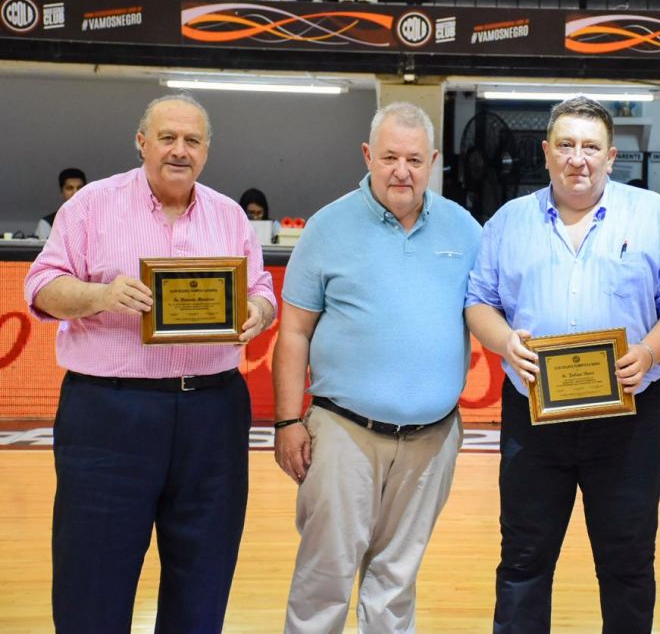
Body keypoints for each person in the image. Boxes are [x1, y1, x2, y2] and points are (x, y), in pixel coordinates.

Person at [24, 94, 277, 633]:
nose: (179, 150)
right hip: (110, 413)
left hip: (212, 411)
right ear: (142, 143)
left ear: (206, 151)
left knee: (203, 578)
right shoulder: (91, 205)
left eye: (192, 141)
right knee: (92, 580)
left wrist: (258, 309)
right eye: (168, 138)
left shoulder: (230, 215)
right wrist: (99, 296)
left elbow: (260, 289)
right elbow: (42, 287)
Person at [464, 96, 660, 633]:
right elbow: (478, 302)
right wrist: (505, 341)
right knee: (524, 559)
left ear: (611, 155)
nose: (578, 158)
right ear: (545, 152)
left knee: (627, 560)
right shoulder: (508, 221)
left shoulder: (652, 215)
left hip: (629, 418)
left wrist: (648, 352)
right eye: (566, 145)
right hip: (534, 415)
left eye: (590, 147)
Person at [273, 101, 481, 633]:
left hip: (433, 440)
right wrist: (287, 420)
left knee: (396, 583)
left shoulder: (464, 230)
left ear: (433, 161)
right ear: (368, 155)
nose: (401, 171)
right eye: (389, 157)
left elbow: (489, 312)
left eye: (414, 159)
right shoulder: (326, 227)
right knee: (324, 578)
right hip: (343, 433)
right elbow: (293, 331)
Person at [36, 168, 86, 240]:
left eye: (79, 188)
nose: (75, 193)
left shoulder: (96, 220)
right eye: (69, 188)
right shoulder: (47, 223)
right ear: (61, 192)